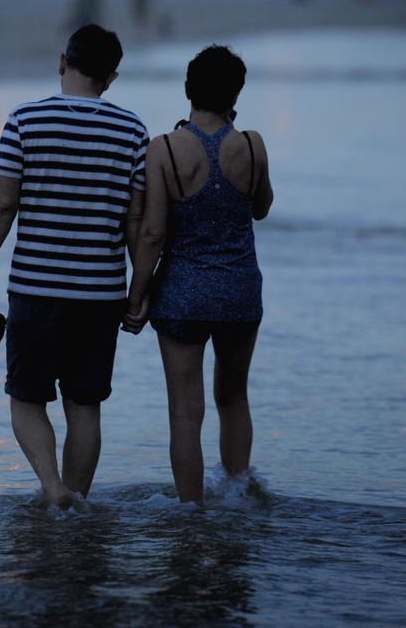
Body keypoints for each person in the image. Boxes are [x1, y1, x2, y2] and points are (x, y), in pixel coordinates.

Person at [0, 24, 149, 507]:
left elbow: (3, 205)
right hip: (100, 294)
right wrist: (137, 293)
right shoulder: (132, 131)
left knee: (26, 397)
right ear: (111, 78)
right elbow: (137, 222)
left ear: (62, 62)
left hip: (37, 290)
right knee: (84, 405)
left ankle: (51, 487)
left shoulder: (25, 120)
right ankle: (77, 502)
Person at [123, 45, 273, 505]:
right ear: (236, 94)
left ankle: (191, 514)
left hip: (181, 294)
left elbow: (151, 233)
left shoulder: (164, 149)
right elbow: (262, 208)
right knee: (234, 398)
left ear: (188, 89)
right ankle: (236, 498)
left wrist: (136, 297)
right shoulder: (251, 143)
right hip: (239, 292)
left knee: (185, 414)